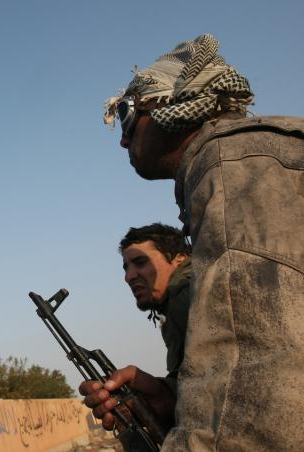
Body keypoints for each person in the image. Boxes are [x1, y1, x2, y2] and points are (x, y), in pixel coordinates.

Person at [84, 33, 304, 450]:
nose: (124, 139)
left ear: (169, 106)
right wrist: (170, 400)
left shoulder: (230, 165)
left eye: (128, 116)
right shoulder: (249, 159)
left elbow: (256, 392)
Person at [81, 223, 192, 433]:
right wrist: (160, 394)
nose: (129, 276)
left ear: (179, 258)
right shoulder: (179, 302)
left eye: (140, 263)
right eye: (126, 267)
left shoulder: (185, 293)